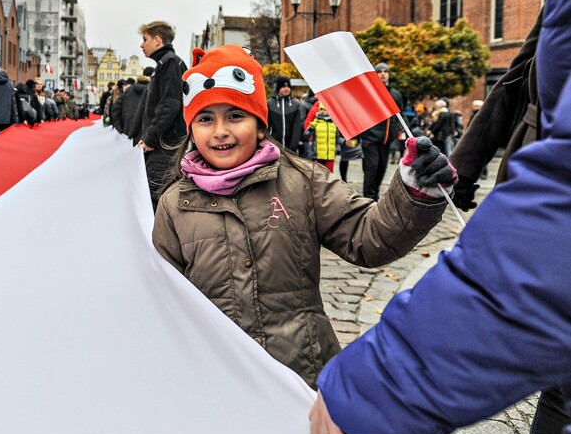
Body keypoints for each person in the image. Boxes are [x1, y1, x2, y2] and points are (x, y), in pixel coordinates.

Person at [309, 0, 571, 434]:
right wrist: (465, 171)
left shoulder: (299, 182)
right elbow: (515, 83)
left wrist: (380, 385)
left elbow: (368, 238)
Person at [151, 44, 454, 389]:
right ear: (191, 130)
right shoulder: (176, 204)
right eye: (206, 119)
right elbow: (163, 299)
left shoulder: (302, 181)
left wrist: (413, 193)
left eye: (235, 115)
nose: (220, 130)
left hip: (302, 374)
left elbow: (369, 238)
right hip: (216, 378)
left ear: (260, 124)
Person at [136, 21, 188, 209]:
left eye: (145, 39)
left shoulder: (169, 62)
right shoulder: (165, 62)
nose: (142, 45)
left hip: (165, 145)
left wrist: (150, 138)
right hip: (163, 143)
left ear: (157, 40)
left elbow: (169, 104)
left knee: (155, 195)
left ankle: (157, 238)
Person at [359, 62, 405, 199]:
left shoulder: (395, 94)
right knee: (372, 167)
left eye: (385, 71)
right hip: (370, 138)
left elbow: (400, 116)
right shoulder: (369, 93)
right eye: (379, 72)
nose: (383, 74)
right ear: (375, 74)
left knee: (381, 168)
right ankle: (368, 197)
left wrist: (404, 132)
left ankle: (375, 195)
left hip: (386, 139)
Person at [267, 76, 303, 154]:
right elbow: (266, 126)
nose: (286, 89)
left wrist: (293, 147)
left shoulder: (295, 104)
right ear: (278, 88)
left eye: (288, 86)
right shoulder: (270, 104)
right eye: (283, 86)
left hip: (290, 149)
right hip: (273, 147)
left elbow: (297, 128)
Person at [303, 103, 338, 173]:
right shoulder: (316, 122)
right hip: (317, 156)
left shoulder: (334, 124)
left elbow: (338, 138)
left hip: (330, 156)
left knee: (329, 177)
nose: (323, 111)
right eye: (321, 109)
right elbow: (306, 136)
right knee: (317, 177)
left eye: (325, 109)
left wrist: (345, 142)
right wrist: (311, 128)